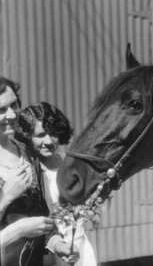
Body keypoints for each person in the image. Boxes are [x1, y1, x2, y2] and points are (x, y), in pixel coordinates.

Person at [15, 102, 98, 266]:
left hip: (78, 244)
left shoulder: (67, 161)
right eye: (40, 135)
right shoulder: (28, 171)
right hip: (50, 251)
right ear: (26, 137)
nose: (49, 141)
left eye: (53, 133)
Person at [0, 76, 54, 266]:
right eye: (1, 109)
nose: (12, 115)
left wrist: (56, 243)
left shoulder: (28, 152)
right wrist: (5, 197)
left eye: (14, 105)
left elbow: (44, 213)